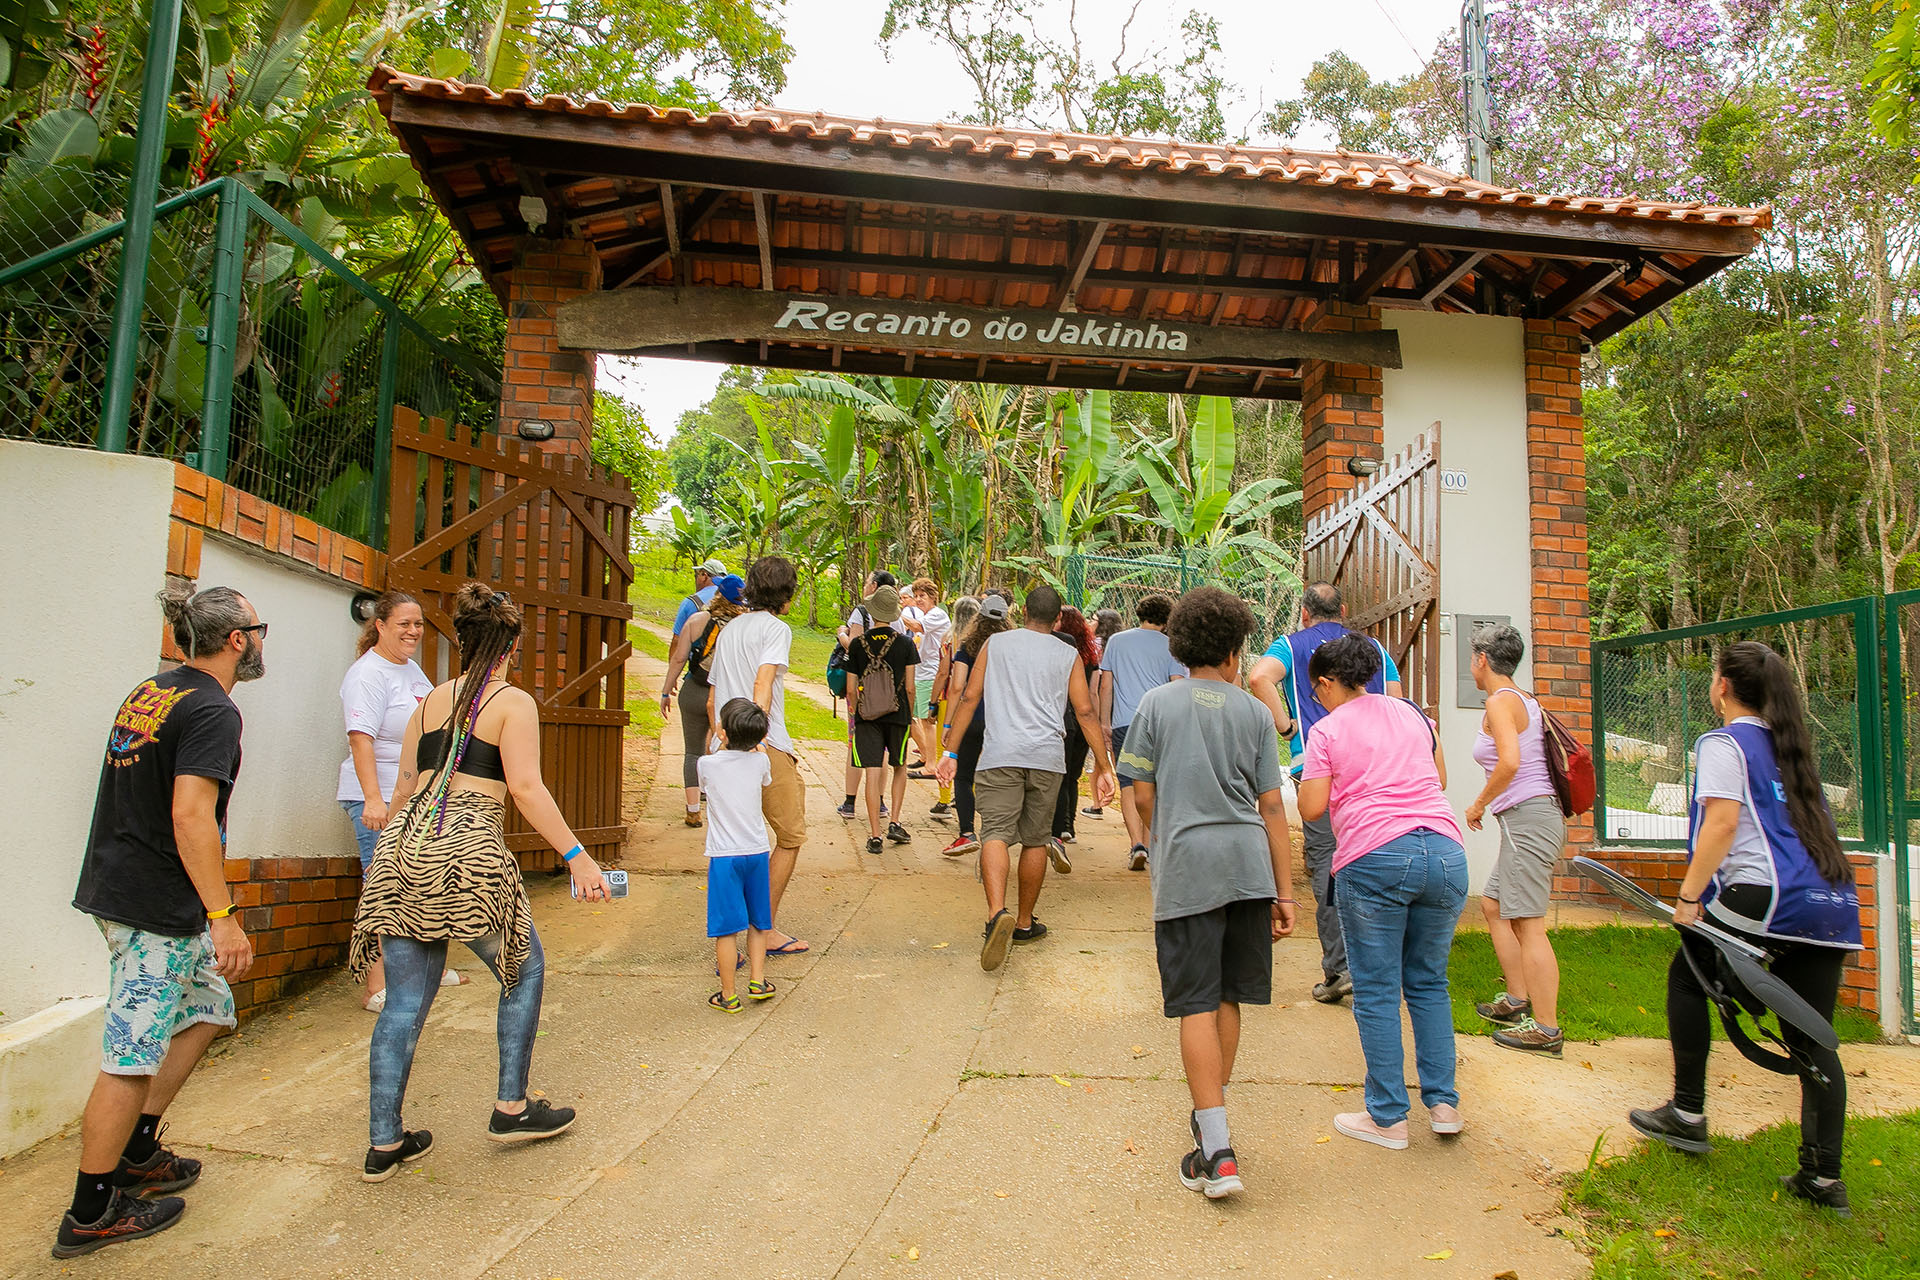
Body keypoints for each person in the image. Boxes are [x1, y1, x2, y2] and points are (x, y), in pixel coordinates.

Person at [350, 584, 613, 1182]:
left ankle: (384, 1143)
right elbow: (524, 787)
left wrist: (398, 856)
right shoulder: (512, 703)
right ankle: (511, 1106)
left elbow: (401, 791)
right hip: (465, 851)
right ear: (511, 647)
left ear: (463, 643)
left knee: (404, 1003)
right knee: (524, 968)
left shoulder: (426, 703)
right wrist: (578, 856)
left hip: (402, 849)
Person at [56, 584, 265, 1258]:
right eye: (256, 629)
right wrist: (223, 916)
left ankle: (137, 1150)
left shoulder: (155, 691)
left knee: (207, 1006)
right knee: (131, 1054)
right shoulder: (213, 711)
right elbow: (189, 815)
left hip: (126, 887)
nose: (260, 640)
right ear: (237, 639)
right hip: (153, 907)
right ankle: (91, 1213)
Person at [1628, 642, 1862, 1217]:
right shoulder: (1793, 749)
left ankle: (1686, 1114)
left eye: (1713, 675)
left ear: (1724, 687)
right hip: (1832, 902)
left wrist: (1688, 898)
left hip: (1766, 896)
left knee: (1687, 979)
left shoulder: (1724, 741)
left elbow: (1723, 823)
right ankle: (1824, 1178)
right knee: (1813, 1039)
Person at [1119, 588, 1297, 1200]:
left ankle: (1217, 1148)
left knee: (1194, 1001)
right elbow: (1272, 806)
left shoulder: (1155, 703)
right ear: (1230, 648)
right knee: (1228, 998)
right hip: (1249, 868)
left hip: (1189, 868)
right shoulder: (1254, 714)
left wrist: (1160, 829)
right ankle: (1209, 1121)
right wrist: (1286, 894)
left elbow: (1140, 793)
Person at [1296, 633, 1465, 1151]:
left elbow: (1310, 809)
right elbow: (1437, 778)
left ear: (1325, 683)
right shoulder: (1411, 714)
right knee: (1429, 982)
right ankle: (1443, 1104)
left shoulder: (1326, 730)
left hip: (1375, 857)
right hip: (1445, 852)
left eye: (1317, 689)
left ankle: (1388, 1116)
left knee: (1375, 990)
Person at [937, 585, 1117, 971]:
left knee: (996, 833)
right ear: (1056, 620)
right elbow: (1084, 712)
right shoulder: (1067, 653)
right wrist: (1103, 764)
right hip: (1047, 758)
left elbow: (969, 696)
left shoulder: (996, 645)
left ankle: (995, 914)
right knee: (1036, 840)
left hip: (1000, 753)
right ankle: (1022, 922)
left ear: (1023, 611)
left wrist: (950, 750)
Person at [1247, 581, 1403, 1004]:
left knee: (1328, 865)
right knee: (1372, 860)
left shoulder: (1291, 644)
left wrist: (1284, 725)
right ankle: (1379, 962)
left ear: (1304, 613)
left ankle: (1339, 967)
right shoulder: (1371, 649)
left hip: (1315, 764)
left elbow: (1258, 677)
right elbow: (1396, 702)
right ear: (1344, 610)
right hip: (1372, 769)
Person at [337, 590, 463, 1011]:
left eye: (418, 624)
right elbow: (360, 739)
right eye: (404, 624)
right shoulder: (367, 674)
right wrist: (374, 800)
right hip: (376, 799)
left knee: (421, 881)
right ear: (380, 625)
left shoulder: (411, 671)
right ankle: (377, 986)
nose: (413, 631)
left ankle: (423, 967)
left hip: (414, 798)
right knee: (381, 887)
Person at [1462, 623, 1570, 1056]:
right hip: (1527, 819)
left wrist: (1478, 804)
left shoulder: (1501, 702)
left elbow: (1510, 762)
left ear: (1481, 660)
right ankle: (1516, 999)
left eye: (1473, 658)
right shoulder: (1523, 698)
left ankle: (1545, 1028)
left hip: (1530, 819)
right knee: (1494, 905)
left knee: (1528, 921)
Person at [708, 556, 810, 956]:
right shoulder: (775, 629)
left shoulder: (730, 628)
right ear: (786, 595)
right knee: (790, 835)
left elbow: (714, 694)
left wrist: (719, 740)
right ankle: (761, 928)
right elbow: (762, 681)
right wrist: (758, 734)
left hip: (724, 746)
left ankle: (736, 935)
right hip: (764, 746)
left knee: (735, 844)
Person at [700, 698, 779, 1013]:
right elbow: (764, 778)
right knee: (758, 921)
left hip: (725, 856)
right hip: (757, 851)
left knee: (726, 928)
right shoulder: (761, 762)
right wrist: (757, 749)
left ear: (722, 731)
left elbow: (708, 781)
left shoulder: (706, 764)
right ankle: (758, 981)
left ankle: (728, 994)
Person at [1098, 594, 1187, 870]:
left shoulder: (1117, 641)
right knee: (1155, 785)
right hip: (1160, 721)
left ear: (1140, 613)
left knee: (1128, 783)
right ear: (1167, 619)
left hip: (1125, 721)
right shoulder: (1172, 646)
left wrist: (1104, 722)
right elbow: (1176, 684)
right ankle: (1149, 846)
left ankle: (1136, 843)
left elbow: (1106, 686)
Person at [658, 573, 746, 827]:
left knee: (693, 752)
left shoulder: (697, 620)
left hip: (694, 689)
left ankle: (693, 810)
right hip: (727, 697)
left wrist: (666, 691)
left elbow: (678, 658)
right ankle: (726, 811)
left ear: (718, 593)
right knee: (729, 752)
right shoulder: (742, 626)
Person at [842, 584, 920, 855]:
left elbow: (851, 689)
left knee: (872, 772)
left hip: (867, 717)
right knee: (899, 766)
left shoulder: (857, 645)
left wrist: (856, 713)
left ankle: (875, 835)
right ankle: (895, 822)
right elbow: (910, 687)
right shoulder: (906, 643)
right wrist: (909, 717)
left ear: (872, 611)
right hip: (898, 715)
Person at [938, 596, 1012, 859]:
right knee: (999, 778)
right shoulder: (1011, 648)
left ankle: (967, 832)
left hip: (971, 720)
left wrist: (949, 723)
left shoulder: (968, 646)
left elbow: (957, 687)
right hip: (1002, 722)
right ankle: (998, 834)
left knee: (964, 775)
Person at [836, 570, 907, 819]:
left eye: (867, 581)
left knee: (855, 745)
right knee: (885, 750)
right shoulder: (899, 619)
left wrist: (841, 634)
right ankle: (881, 802)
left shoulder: (861, 612)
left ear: (874, 586)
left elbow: (853, 645)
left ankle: (850, 802)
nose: (865, 585)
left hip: (863, 690)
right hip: (890, 694)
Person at [1049, 606, 1100, 851]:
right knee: (1073, 776)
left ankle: (1061, 825)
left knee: (1062, 775)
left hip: (1067, 716)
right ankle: (1069, 825)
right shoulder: (1090, 656)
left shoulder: (1058, 652)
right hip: (1084, 721)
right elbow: (1092, 693)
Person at [929, 595, 980, 823]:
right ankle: (970, 796)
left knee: (946, 748)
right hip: (978, 702)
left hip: (951, 699)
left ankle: (944, 798)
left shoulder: (950, 639)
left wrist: (933, 702)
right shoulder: (985, 641)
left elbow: (943, 673)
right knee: (973, 751)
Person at [1081, 608, 1124, 821]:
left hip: (1098, 702)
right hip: (1119, 703)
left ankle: (1097, 805)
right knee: (1118, 754)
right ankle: (1126, 796)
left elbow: (1096, 684)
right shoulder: (1121, 646)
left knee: (1096, 751)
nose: (1090, 622)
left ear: (1102, 624)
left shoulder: (1094, 646)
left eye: (1094, 619)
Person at [908, 578, 951, 777]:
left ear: (933, 597)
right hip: (920, 672)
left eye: (922, 596)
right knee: (918, 718)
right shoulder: (927, 615)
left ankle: (932, 765)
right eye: (916, 596)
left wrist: (897, 613)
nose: (918, 600)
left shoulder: (937, 615)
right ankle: (926, 756)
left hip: (931, 673)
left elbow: (917, 627)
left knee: (927, 720)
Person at [670, 558, 727, 637]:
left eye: (699, 574)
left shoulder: (691, 602)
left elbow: (677, 639)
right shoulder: (734, 602)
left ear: (704, 576)